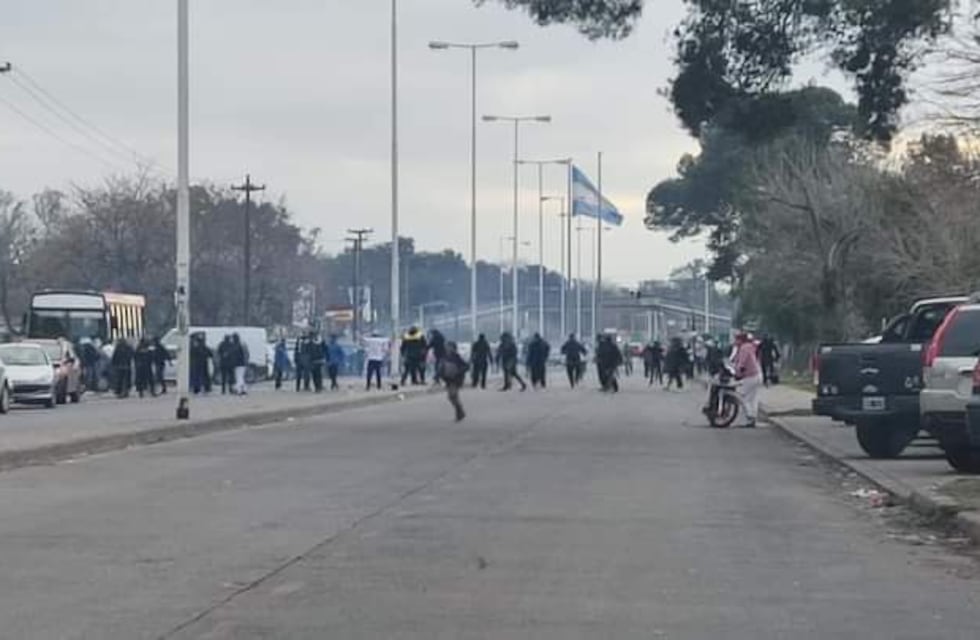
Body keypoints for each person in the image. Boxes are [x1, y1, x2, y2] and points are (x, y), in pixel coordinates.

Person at [733, 331, 763, 428]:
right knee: (753, 398)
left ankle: (750, 417)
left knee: (742, 395)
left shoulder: (744, 348)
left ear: (740, 340)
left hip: (750, 376)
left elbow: (742, 362)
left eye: (736, 339)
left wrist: (738, 374)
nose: (735, 341)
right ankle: (752, 418)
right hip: (757, 374)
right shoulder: (750, 346)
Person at [439, 341, 469, 422]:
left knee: (452, 395)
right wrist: (439, 376)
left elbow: (466, 366)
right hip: (448, 379)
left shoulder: (456, 357)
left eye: (449, 347)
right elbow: (441, 368)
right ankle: (460, 411)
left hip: (455, 379)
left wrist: (458, 371)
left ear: (453, 348)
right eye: (447, 347)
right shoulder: (444, 357)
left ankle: (459, 412)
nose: (447, 348)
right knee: (452, 397)